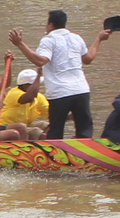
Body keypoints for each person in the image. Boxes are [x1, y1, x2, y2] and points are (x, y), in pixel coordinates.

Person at [8, 10, 110, 139]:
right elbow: (88, 59)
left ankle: (55, 158)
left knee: (56, 132)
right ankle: (85, 156)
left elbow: (40, 61)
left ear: (50, 25)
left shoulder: (49, 40)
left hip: (60, 93)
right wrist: (98, 39)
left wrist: (20, 44)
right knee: (84, 130)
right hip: (81, 90)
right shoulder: (76, 38)